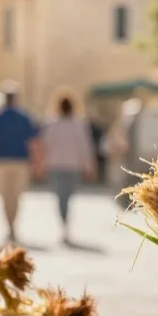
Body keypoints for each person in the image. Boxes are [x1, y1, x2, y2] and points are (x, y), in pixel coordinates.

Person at [0, 81, 41, 243]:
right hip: (18, 162)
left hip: (4, 162)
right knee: (14, 196)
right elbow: (34, 144)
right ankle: (11, 225)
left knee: (5, 195)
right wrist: (37, 165)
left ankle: (10, 225)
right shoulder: (24, 117)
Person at [41, 91, 96, 243]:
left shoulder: (52, 124)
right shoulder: (79, 125)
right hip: (72, 165)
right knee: (68, 196)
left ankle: (63, 222)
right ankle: (65, 223)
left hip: (56, 164)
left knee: (61, 196)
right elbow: (85, 147)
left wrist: (42, 164)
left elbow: (45, 145)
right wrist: (88, 167)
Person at [107, 97, 141, 206]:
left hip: (129, 159)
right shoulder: (121, 125)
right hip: (122, 159)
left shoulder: (134, 124)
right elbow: (115, 141)